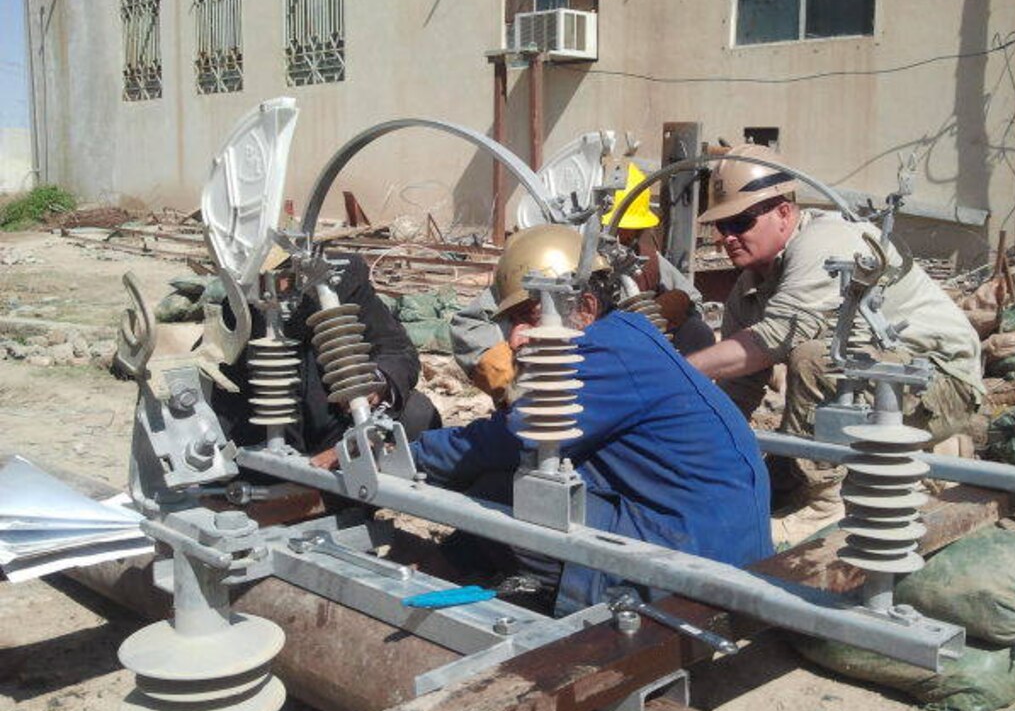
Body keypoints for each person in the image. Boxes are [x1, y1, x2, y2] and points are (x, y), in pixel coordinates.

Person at [412, 224, 772, 616]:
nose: (515, 338)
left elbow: (510, 440)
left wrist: (407, 458)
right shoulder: (625, 334)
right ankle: (453, 567)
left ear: (585, 308)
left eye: (530, 316)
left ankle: (467, 578)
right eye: (512, 321)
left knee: (500, 491)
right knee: (519, 485)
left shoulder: (600, 357)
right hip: (715, 542)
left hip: (691, 563)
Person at [686, 144, 985, 545]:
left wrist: (677, 370)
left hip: (943, 384)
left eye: (741, 221)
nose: (730, 237)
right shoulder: (749, 289)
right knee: (765, 483)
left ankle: (828, 505)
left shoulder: (825, 241)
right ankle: (911, 460)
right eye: (722, 227)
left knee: (813, 356)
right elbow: (738, 389)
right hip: (878, 387)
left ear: (783, 212)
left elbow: (774, 339)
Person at [451, 163, 713, 407]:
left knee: (696, 332)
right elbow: (468, 326)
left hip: (619, 368)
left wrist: (659, 310)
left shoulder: (644, 259)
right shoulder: (543, 261)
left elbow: (692, 300)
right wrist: (509, 370)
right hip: (554, 384)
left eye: (629, 231)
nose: (619, 242)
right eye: (612, 230)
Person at [213, 251, 441, 461]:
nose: (283, 285)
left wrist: (378, 380)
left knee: (418, 414)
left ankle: (346, 493)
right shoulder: (238, 307)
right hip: (264, 438)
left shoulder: (345, 283)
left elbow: (396, 349)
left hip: (340, 424)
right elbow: (219, 383)